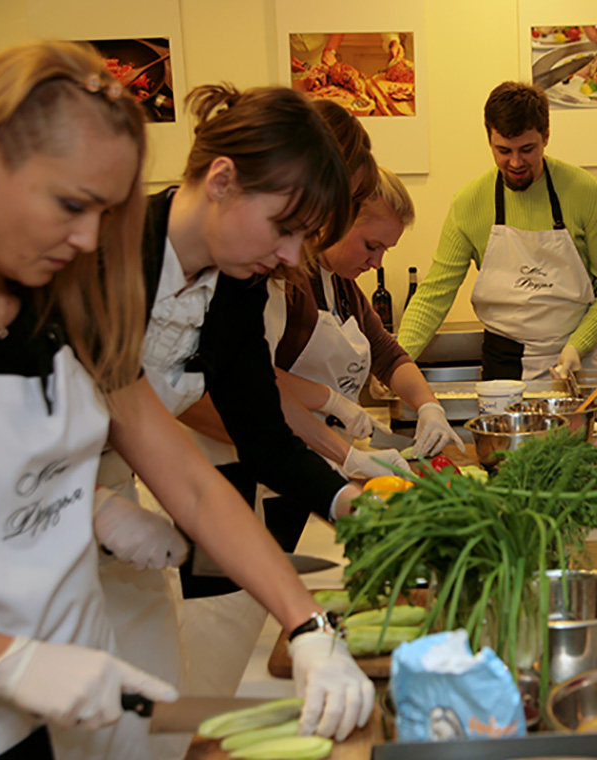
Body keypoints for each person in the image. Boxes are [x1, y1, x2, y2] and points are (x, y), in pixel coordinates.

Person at [0, 41, 371, 760]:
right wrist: (6, 661)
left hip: (57, 662)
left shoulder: (56, 302)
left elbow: (191, 483)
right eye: (73, 205)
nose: (87, 240)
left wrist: (307, 624)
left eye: (104, 211)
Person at [103, 84, 375, 729]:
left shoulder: (237, 279)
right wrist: (86, 505)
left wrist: (349, 503)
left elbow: (260, 438)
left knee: (150, 707)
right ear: (222, 180)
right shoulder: (105, 254)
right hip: (35, 503)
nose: (289, 256)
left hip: (120, 488)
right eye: (285, 229)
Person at [397, 81, 597, 381]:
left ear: (546, 136)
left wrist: (577, 346)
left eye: (527, 149)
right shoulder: (470, 203)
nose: (516, 162)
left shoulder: (585, 193)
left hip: (577, 361)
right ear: (489, 139)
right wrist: (396, 363)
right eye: (503, 150)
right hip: (505, 365)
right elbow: (434, 294)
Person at [274, 160, 465, 463]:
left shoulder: (343, 287)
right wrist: (332, 401)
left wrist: (429, 406)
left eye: (384, 250)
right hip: (279, 459)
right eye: (371, 246)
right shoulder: (285, 281)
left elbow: (388, 356)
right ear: (338, 220)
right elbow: (251, 375)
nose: (376, 263)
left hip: (326, 458)